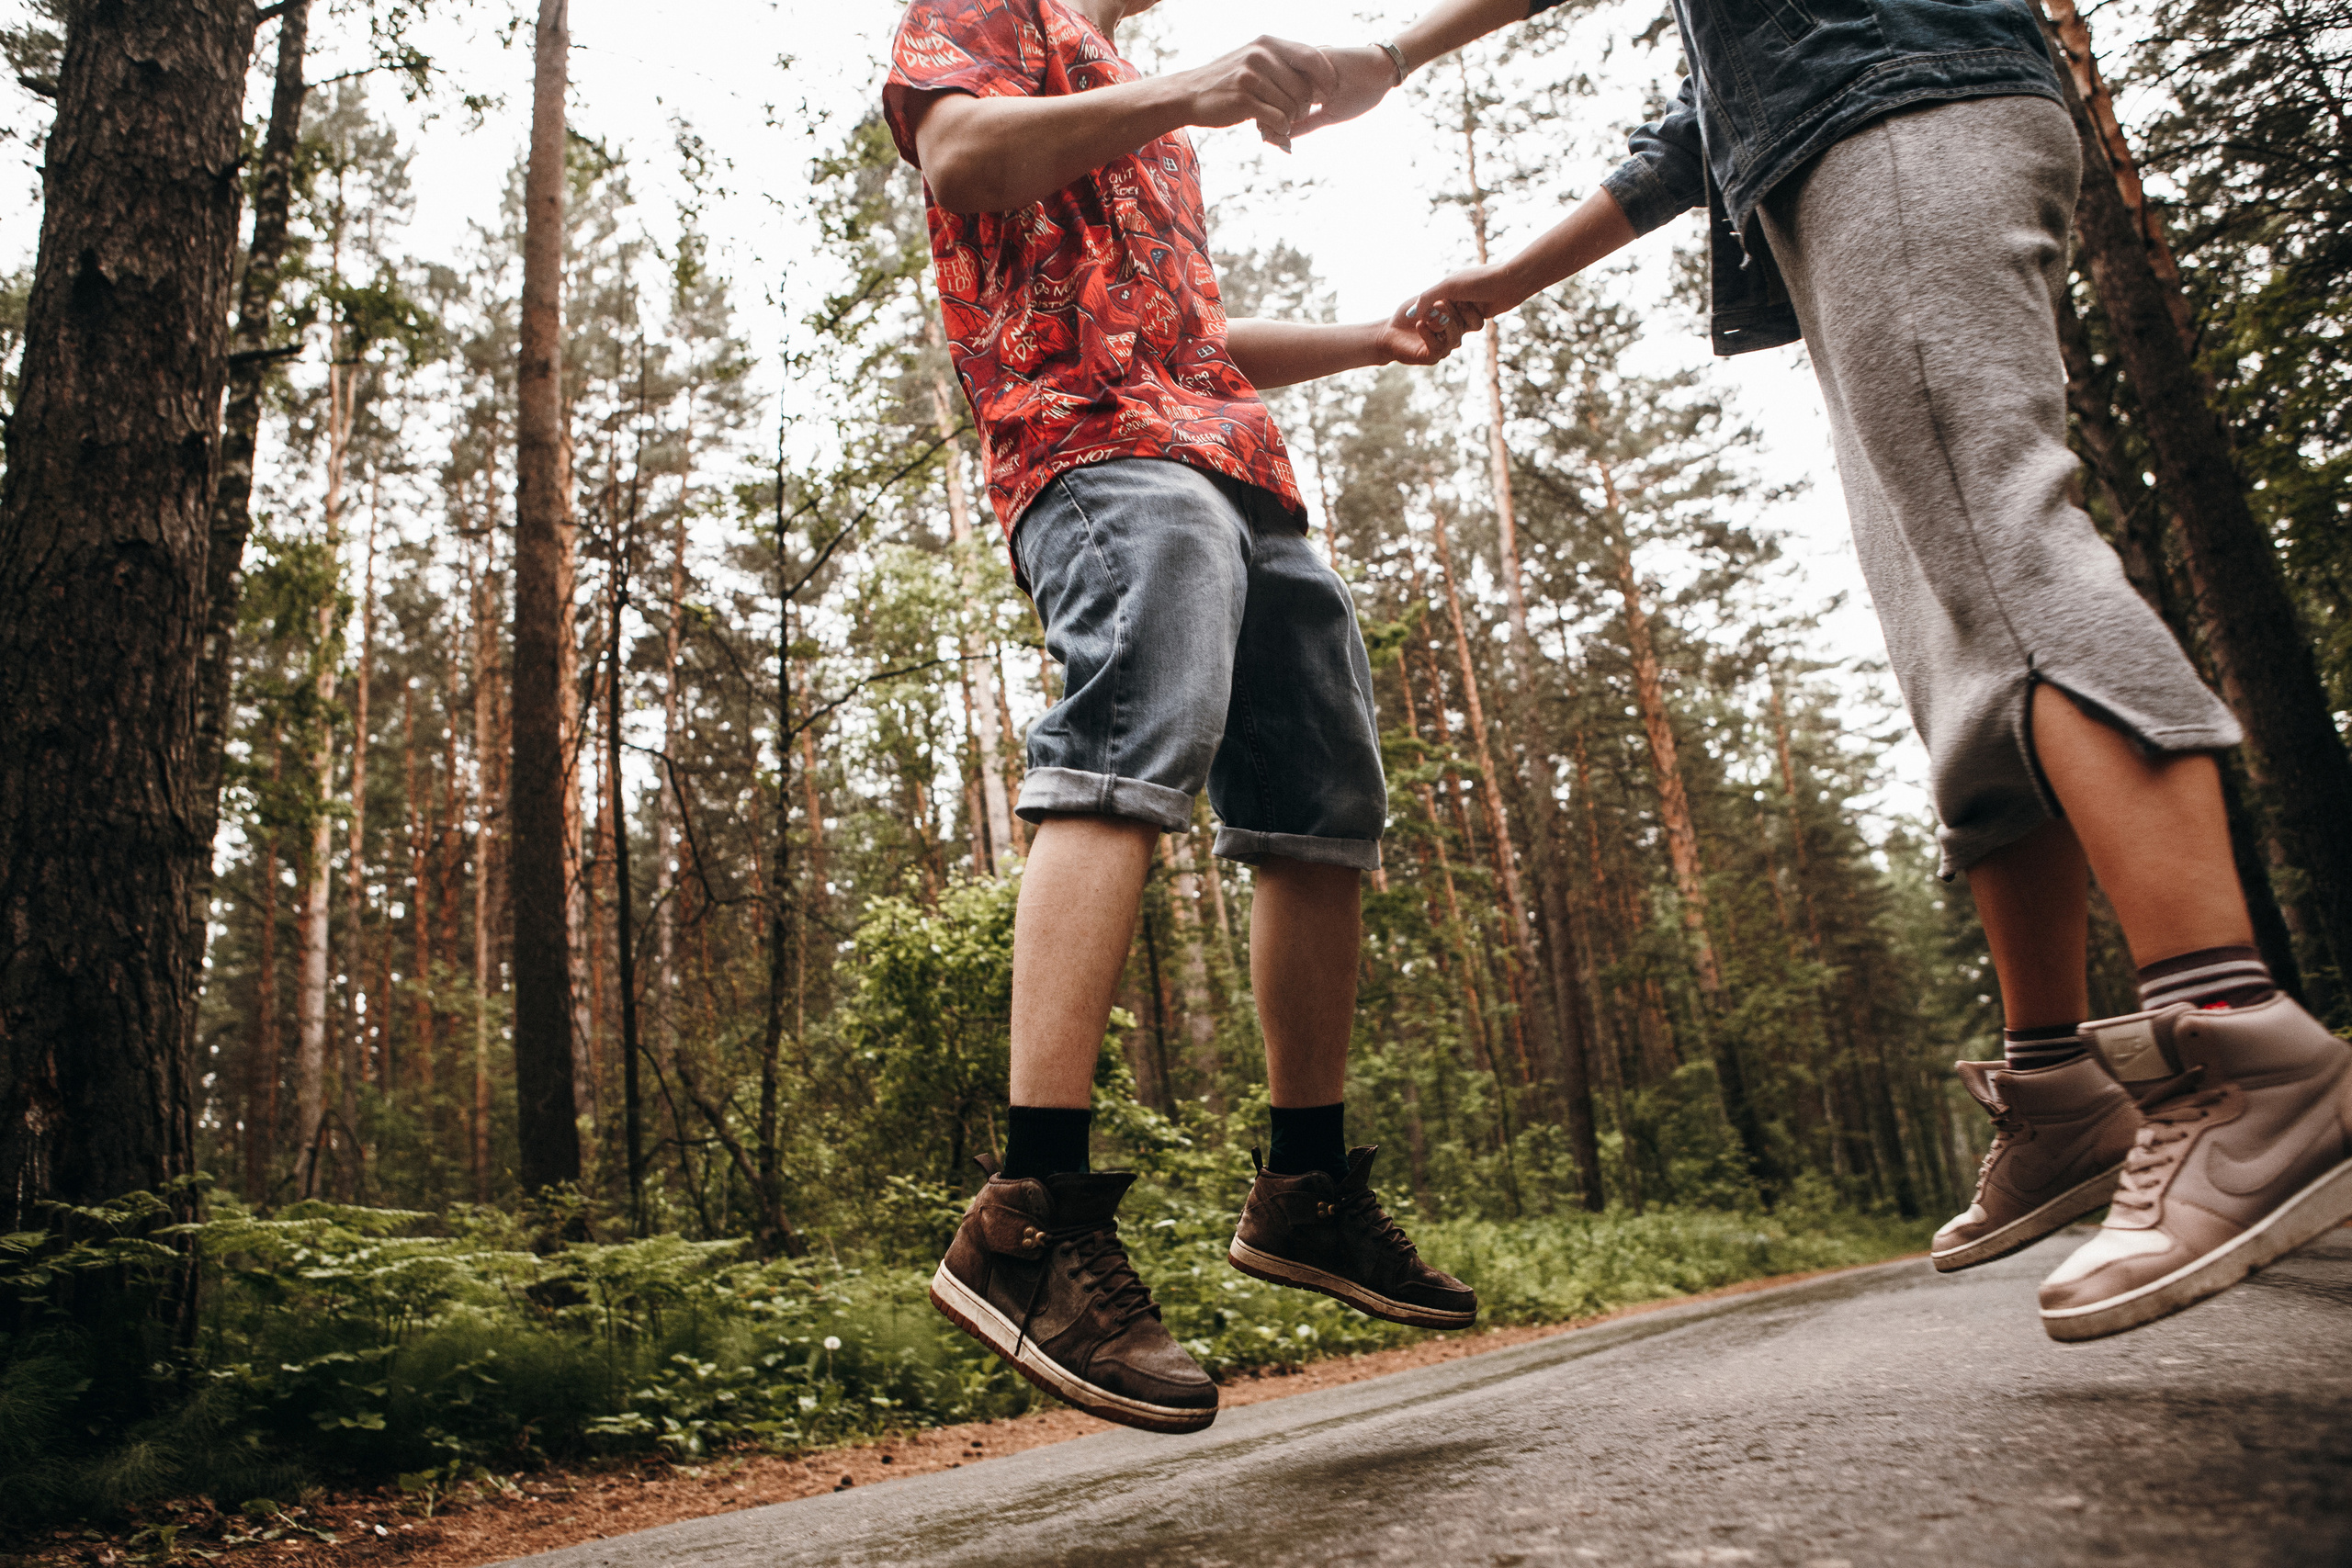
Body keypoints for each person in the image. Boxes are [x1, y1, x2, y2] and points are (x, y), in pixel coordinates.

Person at [1284, 0, 2352, 1342]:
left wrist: (1393, 54)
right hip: (1844, 152)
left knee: (2008, 564)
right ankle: (2055, 1089)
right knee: (1955, 644)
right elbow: (1702, 121)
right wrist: (1507, 279)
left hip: (1900, 119)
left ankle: (2240, 1048)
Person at [879, 0, 1480, 1434]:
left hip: (1231, 464)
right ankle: (1029, 1211)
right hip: (1089, 449)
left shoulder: (1145, 104)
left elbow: (1192, 344)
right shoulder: (989, 12)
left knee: (1326, 794)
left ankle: (1306, 1182)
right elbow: (959, 158)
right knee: (1135, 730)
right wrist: (1193, 89)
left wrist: (1374, 338)